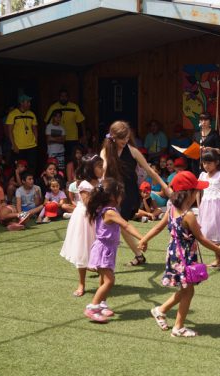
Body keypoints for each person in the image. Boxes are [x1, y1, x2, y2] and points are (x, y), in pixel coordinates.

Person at [138, 171, 220, 337]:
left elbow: (158, 227)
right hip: (184, 256)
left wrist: (144, 239)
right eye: (197, 191)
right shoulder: (189, 216)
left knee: (186, 289)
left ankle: (161, 310)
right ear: (189, 194)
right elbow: (201, 239)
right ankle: (178, 327)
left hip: (174, 253)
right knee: (188, 291)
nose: (198, 194)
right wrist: (219, 250)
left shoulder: (171, 209)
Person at [100, 121, 171, 267]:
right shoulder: (106, 151)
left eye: (127, 138)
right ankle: (138, 255)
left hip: (129, 193)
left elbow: (150, 171)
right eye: (122, 139)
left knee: (119, 224)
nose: (125, 141)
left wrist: (165, 187)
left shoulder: (132, 150)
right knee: (117, 225)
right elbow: (103, 170)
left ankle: (104, 261)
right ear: (113, 137)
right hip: (112, 193)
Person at [83, 178, 144, 323]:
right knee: (110, 281)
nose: (122, 197)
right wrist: (142, 238)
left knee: (104, 278)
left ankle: (102, 304)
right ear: (112, 197)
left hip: (107, 249)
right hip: (104, 249)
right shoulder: (110, 212)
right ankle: (93, 307)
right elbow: (126, 226)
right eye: (120, 194)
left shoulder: (104, 209)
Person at [60, 154, 103, 297]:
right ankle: (81, 283)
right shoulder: (85, 185)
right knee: (82, 249)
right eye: (99, 167)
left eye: (102, 166)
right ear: (90, 169)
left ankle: (102, 282)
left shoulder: (101, 182)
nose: (102, 169)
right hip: (85, 219)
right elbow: (88, 203)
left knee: (100, 248)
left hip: (97, 217)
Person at [44, 89, 86, 162]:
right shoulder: (53, 107)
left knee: (72, 158)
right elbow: (46, 122)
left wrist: (84, 135)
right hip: (58, 140)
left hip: (72, 138)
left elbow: (81, 121)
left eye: (65, 96)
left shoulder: (74, 107)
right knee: (57, 161)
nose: (63, 98)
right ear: (59, 97)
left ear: (68, 97)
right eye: (61, 96)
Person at [6, 94, 39, 170]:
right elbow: (9, 131)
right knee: (19, 167)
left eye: (29, 102)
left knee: (32, 167)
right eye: (28, 102)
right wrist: (13, 145)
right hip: (19, 146)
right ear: (21, 103)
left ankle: (31, 181)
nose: (29, 104)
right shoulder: (12, 114)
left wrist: (36, 139)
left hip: (31, 146)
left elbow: (34, 128)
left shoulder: (32, 114)